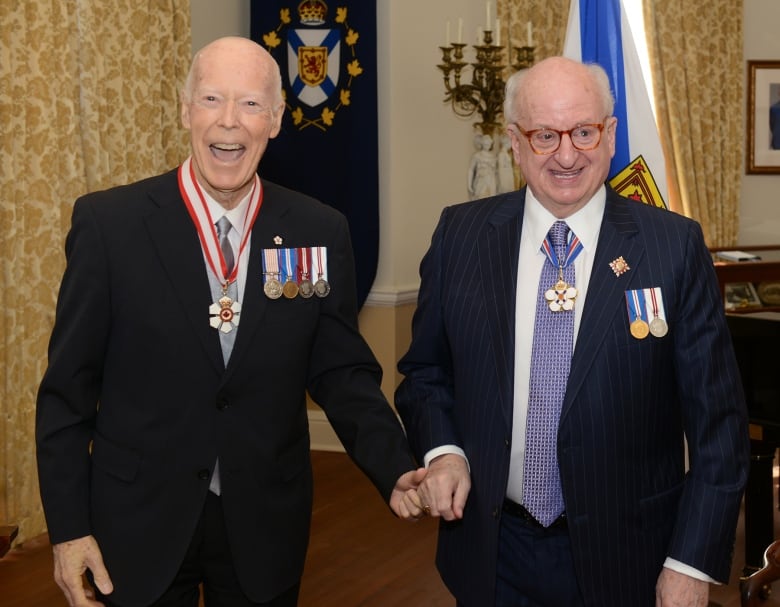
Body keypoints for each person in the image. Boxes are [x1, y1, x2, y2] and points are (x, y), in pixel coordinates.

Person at [36, 36, 426, 607]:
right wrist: (69, 530)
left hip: (263, 523)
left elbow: (342, 373)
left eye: (250, 105)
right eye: (213, 99)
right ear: (185, 109)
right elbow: (66, 395)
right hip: (136, 527)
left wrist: (396, 468)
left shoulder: (318, 230)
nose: (229, 122)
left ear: (275, 121)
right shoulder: (109, 228)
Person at [395, 56, 749, 607]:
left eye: (583, 131)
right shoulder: (461, 237)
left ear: (609, 136)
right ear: (515, 142)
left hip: (632, 557)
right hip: (492, 552)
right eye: (544, 135)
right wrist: (444, 451)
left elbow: (719, 430)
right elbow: (425, 373)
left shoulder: (672, 248)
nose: (566, 154)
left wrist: (692, 563)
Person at [467, 132, 498, 200]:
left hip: (491, 181)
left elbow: (496, 172)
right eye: (486, 143)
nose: (487, 145)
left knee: (491, 201)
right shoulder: (477, 155)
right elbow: (471, 169)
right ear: (482, 144)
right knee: (480, 200)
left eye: (489, 143)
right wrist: (469, 185)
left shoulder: (493, 156)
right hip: (481, 181)